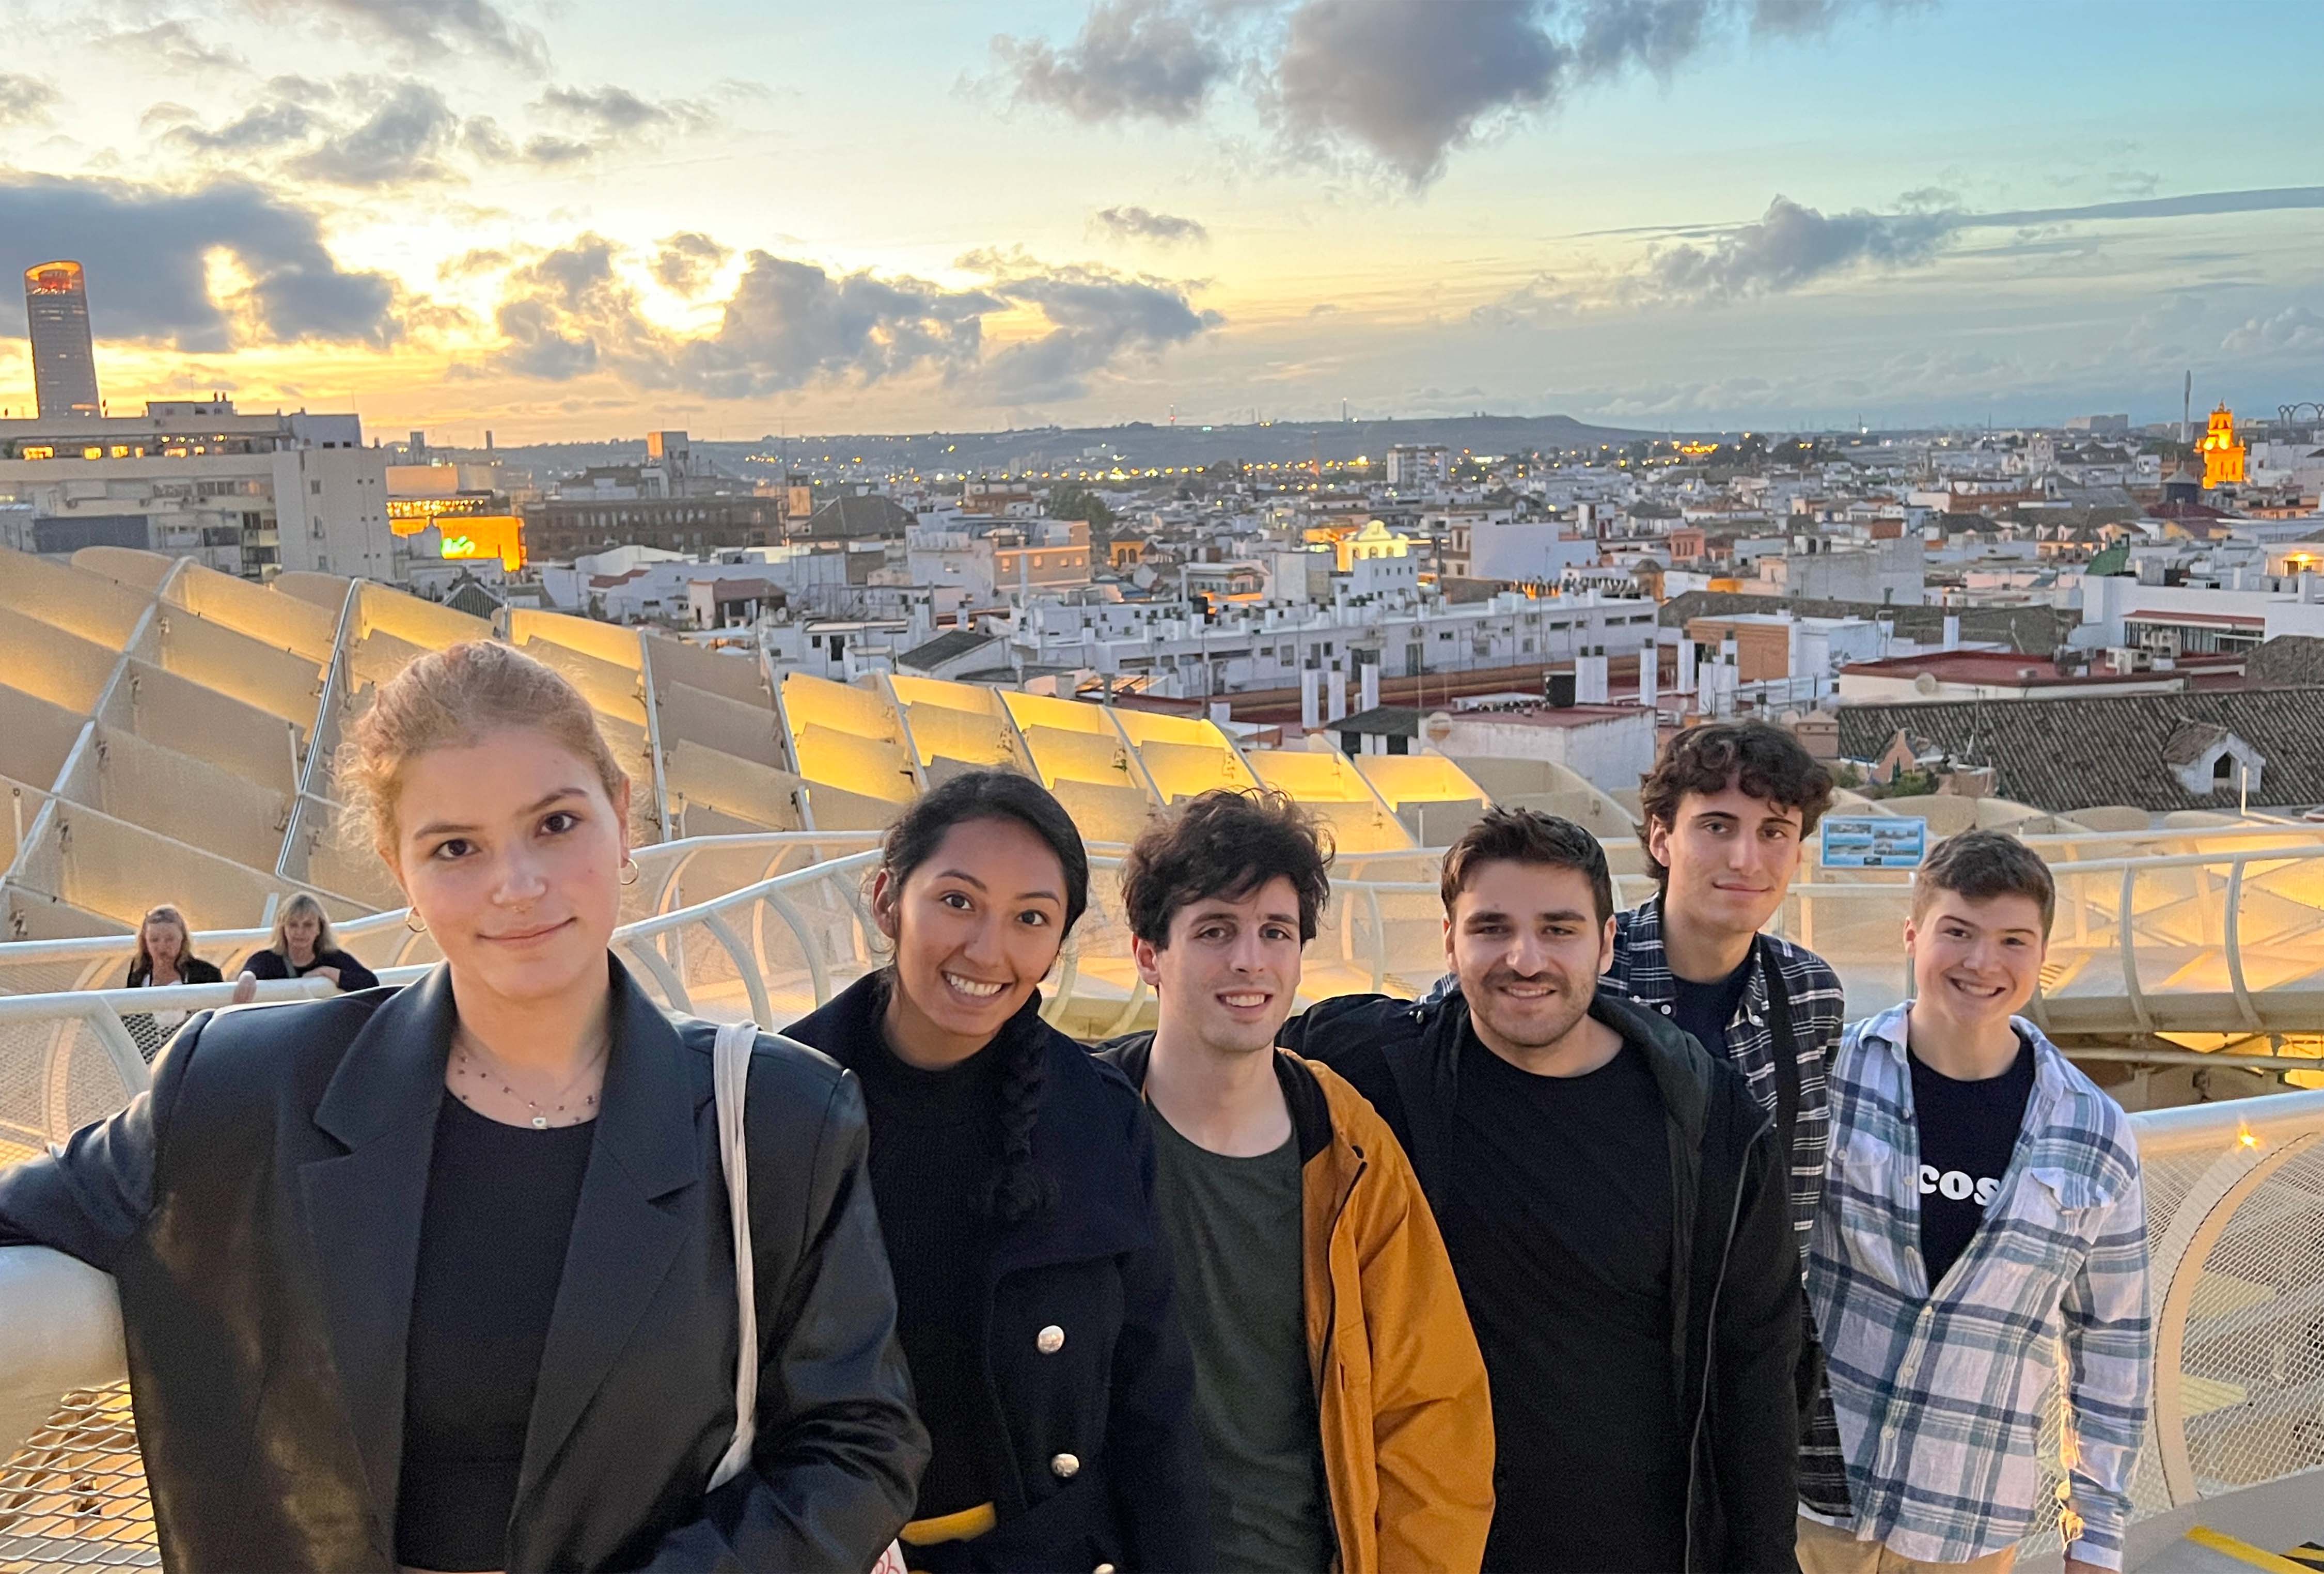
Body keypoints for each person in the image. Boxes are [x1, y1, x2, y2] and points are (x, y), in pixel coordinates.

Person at [0, 640, 927, 1573]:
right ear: (400, 873)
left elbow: (860, 1439)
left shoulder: (778, 1114)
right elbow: (24, 1218)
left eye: (556, 823)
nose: (516, 884)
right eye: (455, 847)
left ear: (623, 818)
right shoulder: (247, 1090)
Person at [1280, 807, 1800, 1574]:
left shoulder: (1706, 1118)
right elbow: (1209, 1067)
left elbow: (1757, 1363)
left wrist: (1766, 1560)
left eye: (1559, 929)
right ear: (1449, 940)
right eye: (1492, 928)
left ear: (1608, 941)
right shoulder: (1376, 1072)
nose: (1525, 959)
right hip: (1428, 1547)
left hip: (1638, 1547)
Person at [785, 769, 1210, 1574]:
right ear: (886, 900)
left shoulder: (1095, 1113)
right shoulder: (773, 1097)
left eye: (1030, 919)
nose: (988, 949)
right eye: (957, 902)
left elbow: (1151, 1394)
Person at [1095, 789, 1495, 1574]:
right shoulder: (1080, 1131)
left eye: (1274, 932)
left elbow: (1432, 1409)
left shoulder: (1349, 1147)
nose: (1250, 960)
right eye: (1214, 931)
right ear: (1149, 954)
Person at [1802, 831, 2150, 1574]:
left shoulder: (2093, 1132)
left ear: (2041, 953)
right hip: (1806, 1503)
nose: (1981, 963)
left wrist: (2095, 1534)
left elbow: (2111, 1342)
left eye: (2013, 941)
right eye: (1957, 932)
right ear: (1913, 934)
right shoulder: (1830, 1081)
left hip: (1969, 1520)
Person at [1622, 721, 1849, 1514]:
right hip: (1602, 1367)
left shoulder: (1808, 994)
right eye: (1717, 826)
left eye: (1774, 833)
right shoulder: (1588, 969)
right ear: (1663, 837)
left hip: (1742, 1374)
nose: (1747, 859)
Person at [120, 904, 230, 1061]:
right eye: (154, 940)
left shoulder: (206, 973)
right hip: (149, 1058)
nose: (162, 947)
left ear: (182, 939)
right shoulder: (139, 973)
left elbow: (218, 1022)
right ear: (145, 943)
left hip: (195, 1056)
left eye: (170, 939)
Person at [239, 891, 381, 993]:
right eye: (293, 925)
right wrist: (247, 977)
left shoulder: (333, 959)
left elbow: (371, 983)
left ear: (320, 928)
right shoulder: (266, 960)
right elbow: (250, 971)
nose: (300, 932)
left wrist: (326, 972)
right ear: (283, 928)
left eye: (308, 925)